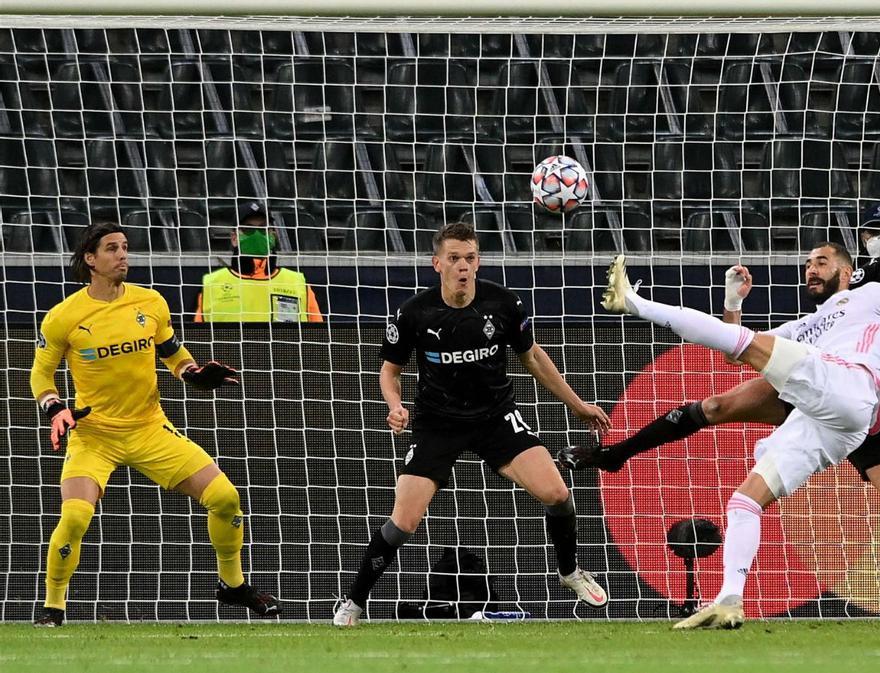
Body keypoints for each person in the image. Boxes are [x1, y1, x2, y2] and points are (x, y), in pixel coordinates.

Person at [560, 190, 880, 621]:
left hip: (870, 399)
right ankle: (726, 596)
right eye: (808, 264)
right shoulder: (850, 296)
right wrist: (733, 304)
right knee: (729, 444)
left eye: (821, 263)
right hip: (821, 398)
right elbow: (737, 349)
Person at [332, 222, 612, 626]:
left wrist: (577, 404)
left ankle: (569, 571)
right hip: (437, 422)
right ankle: (354, 601)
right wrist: (394, 405)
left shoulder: (504, 304)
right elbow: (389, 370)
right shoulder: (414, 312)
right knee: (404, 520)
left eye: (470, 258)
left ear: (477, 262)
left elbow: (532, 358)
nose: (463, 266)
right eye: (454, 259)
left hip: (495, 417)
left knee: (557, 493)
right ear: (437, 263)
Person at [30, 221, 281, 627]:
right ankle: (53, 607)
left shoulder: (150, 302)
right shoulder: (64, 317)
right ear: (90, 260)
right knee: (75, 517)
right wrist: (54, 407)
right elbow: (40, 376)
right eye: (112, 248)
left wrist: (194, 374)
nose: (122, 255)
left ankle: (233, 586)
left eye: (125, 247)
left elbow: (173, 354)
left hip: (149, 429)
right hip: (95, 436)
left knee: (226, 498)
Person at [194, 201, 324, 322]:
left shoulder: (297, 284)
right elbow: (199, 340)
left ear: (273, 235)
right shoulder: (212, 285)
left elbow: (318, 338)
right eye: (248, 229)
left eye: (263, 229)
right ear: (234, 238)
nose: (257, 234)